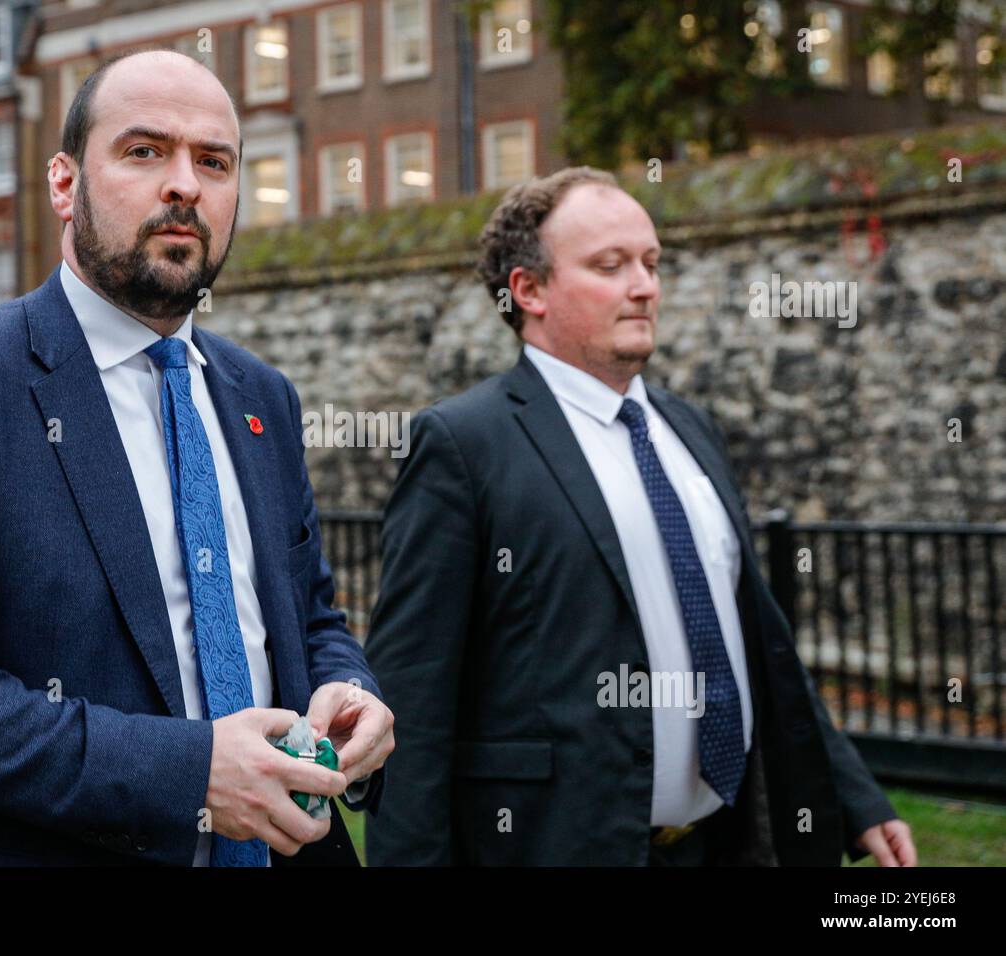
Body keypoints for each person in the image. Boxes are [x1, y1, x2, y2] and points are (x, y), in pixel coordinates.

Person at [0, 50, 393, 867]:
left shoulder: (261, 396)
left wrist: (351, 692)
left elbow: (308, 617)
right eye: (145, 152)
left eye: (214, 161)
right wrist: (188, 774)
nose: (185, 185)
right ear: (64, 184)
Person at [364, 166, 914, 867]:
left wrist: (856, 797)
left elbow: (758, 640)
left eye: (651, 263)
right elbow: (414, 692)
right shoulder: (464, 444)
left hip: (727, 843)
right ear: (528, 290)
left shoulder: (691, 431)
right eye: (610, 265)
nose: (645, 285)